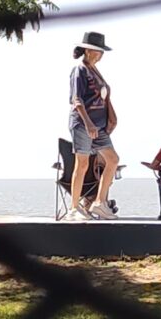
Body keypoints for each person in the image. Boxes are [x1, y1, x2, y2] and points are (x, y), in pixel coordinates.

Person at [65, 31, 120, 221]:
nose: (100, 54)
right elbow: (76, 99)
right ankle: (74, 208)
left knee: (112, 160)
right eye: (97, 50)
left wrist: (110, 118)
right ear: (87, 50)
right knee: (82, 164)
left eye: (102, 51)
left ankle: (99, 203)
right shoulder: (79, 70)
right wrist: (88, 123)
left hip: (99, 127)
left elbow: (104, 97)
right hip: (83, 124)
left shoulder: (95, 70)